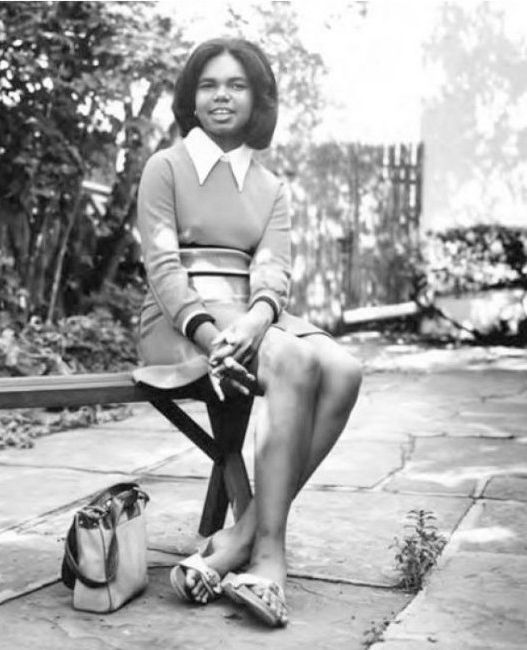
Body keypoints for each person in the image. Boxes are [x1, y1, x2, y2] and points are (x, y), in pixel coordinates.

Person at [134, 37, 362, 628]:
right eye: (208, 84)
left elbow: (273, 270)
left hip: (249, 316)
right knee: (292, 361)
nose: (221, 96)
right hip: (180, 324)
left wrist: (258, 319)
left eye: (236, 85)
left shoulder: (271, 187)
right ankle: (268, 559)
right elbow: (162, 268)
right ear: (191, 97)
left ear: (258, 99)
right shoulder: (166, 167)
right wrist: (214, 338)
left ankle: (235, 539)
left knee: (344, 368)